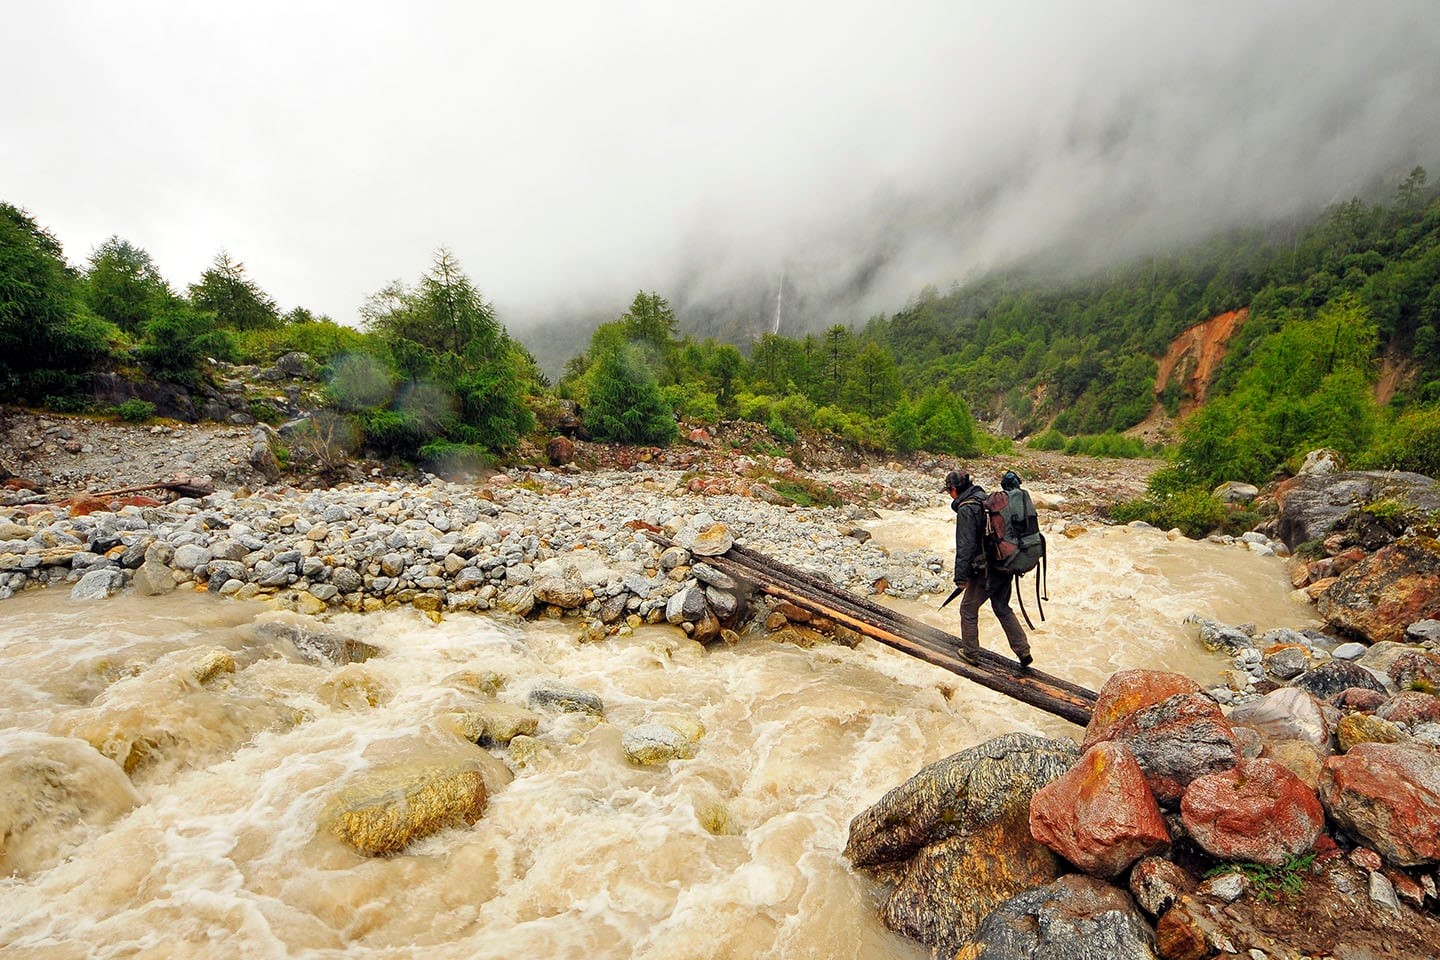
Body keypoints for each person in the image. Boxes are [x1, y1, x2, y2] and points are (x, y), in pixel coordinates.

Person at [944, 468, 1033, 669]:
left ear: (955, 489)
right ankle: (1023, 650)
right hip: (1007, 563)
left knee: (968, 609)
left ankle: (971, 652)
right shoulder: (985, 499)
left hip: (988, 569)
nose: (950, 494)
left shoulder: (967, 508)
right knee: (1002, 607)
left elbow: (965, 546)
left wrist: (961, 578)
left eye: (949, 490)